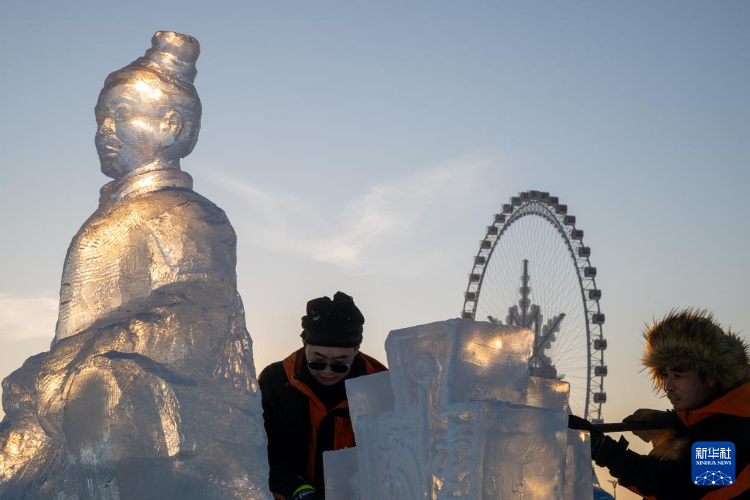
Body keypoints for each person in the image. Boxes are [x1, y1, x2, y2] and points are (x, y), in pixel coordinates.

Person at [570, 309, 749, 499]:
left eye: (678, 375)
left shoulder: (735, 431)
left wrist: (603, 449)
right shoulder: (708, 423)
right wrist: (671, 425)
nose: (668, 386)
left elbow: (676, 485)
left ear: (711, 376)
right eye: (664, 375)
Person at [259, 292, 387, 500]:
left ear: (356, 349)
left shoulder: (380, 384)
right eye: (317, 361)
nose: (327, 371)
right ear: (304, 344)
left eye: (340, 363)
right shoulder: (275, 380)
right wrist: (298, 490)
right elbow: (258, 447)